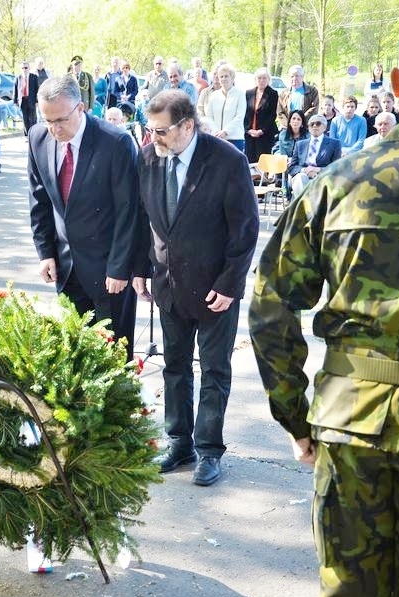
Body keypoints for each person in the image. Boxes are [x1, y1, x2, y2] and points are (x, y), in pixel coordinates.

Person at [248, 32, 399, 595]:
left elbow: (269, 303)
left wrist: (295, 415)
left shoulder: (343, 182)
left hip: (352, 421)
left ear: (396, 83)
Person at [132, 89, 259, 487]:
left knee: (215, 370)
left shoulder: (226, 161)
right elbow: (143, 218)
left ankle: (208, 450)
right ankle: (179, 443)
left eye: (162, 130)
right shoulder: (149, 157)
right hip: (168, 285)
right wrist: (139, 268)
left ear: (187, 125)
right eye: (150, 129)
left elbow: (245, 229)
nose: (155, 138)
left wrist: (230, 284)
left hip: (215, 289)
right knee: (174, 368)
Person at [28, 75, 139, 360]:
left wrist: (120, 267)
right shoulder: (38, 138)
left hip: (108, 271)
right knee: (74, 357)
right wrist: (46, 253)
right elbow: (39, 201)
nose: (54, 129)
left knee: (112, 357)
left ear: (81, 108)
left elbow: (130, 211)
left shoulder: (115, 143)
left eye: (61, 120)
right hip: (66, 269)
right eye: (47, 120)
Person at [288, 114, 341, 198]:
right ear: (308, 128)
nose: (315, 126)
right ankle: (305, 208)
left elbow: (336, 167)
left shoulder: (334, 144)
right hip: (302, 176)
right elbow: (292, 168)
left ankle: (305, 208)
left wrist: (318, 170)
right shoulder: (300, 144)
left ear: (324, 127)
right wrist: (305, 170)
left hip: (323, 176)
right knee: (301, 178)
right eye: (312, 124)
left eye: (318, 123)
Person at [206, 63, 246, 151]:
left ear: (232, 78)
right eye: (221, 76)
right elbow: (209, 116)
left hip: (234, 138)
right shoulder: (214, 95)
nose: (223, 79)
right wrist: (216, 131)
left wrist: (225, 131)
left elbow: (239, 117)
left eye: (226, 76)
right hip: (216, 138)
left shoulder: (240, 94)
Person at [244, 67, 279, 163]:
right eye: (259, 78)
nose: (262, 80)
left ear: (268, 79)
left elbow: (272, 115)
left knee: (262, 162)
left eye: (264, 78)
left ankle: (264, 178)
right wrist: (248, 130)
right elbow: (245, 113)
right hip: (250, 133)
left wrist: (262, 130)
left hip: (265, 134)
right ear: (255, 79)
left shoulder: (273, 94)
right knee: (250, 160)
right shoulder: (248, 93)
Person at [277, 64, 319, 129]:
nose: (294, 78)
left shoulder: (312, 91)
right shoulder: (283, 94)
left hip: (306, 128)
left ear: (302, 77)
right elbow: (280, 112)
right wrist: (289, 125)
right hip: (288, 129)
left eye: (297, 76)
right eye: (292, 76)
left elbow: (314, 109)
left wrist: (300, 122)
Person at [14, 61, 39, 136]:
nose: (24, 69)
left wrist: (37, 100)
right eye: (22, 68)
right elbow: (16, 89)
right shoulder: (18, 77)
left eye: (26, 67)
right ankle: (27, 135)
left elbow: (37, 89)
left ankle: (34, 134)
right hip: (23, 100)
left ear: (29, 68)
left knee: (33, 119)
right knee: (25, 119)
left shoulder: (34, 77)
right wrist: (15, 100)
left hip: (31, 100)